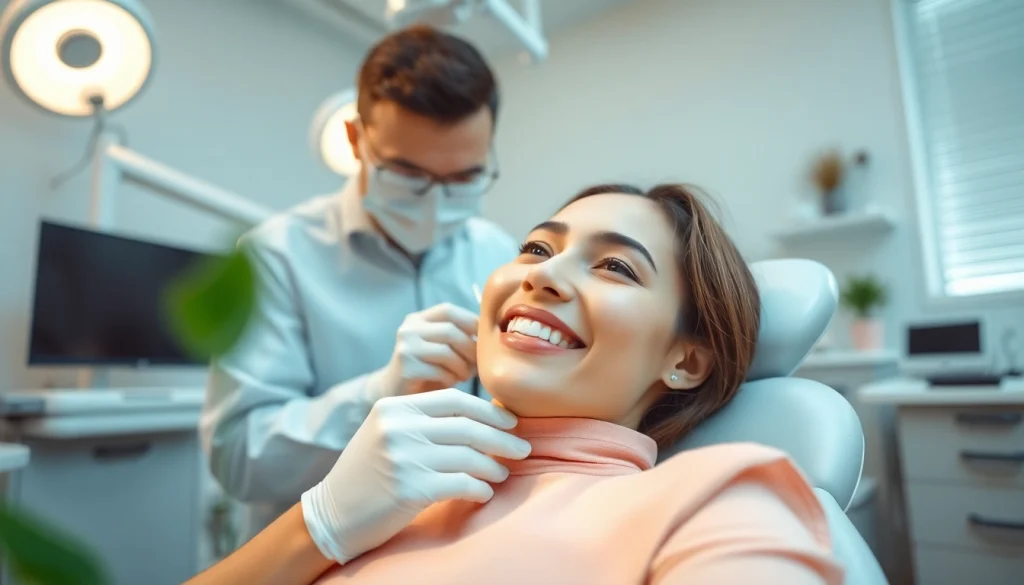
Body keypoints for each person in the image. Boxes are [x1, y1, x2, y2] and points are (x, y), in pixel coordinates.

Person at [185, 183, 844, 585]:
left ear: (687, 360)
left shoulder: (713, 501)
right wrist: (317, 525)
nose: (542, 275)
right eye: (536, 248)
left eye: (615, 266)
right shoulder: (384, 495)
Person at [200, 25, 518, 540]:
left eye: (464, 177)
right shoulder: (274, 256)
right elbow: (238, 458)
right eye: (407, 173)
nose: (435, 201)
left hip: (461, 545)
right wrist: (380, 394)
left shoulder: (498, 253)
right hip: (318, 558)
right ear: (356, 140)